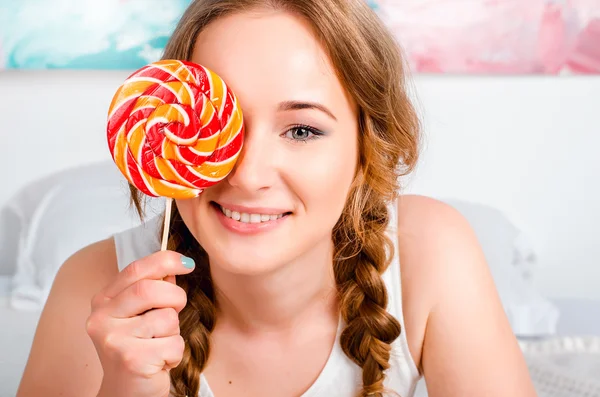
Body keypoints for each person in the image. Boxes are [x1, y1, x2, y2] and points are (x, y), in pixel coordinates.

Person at [17, 1, 538, 396]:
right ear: (168, 130)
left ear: (366, 148)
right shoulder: (91, 287)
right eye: (220, 124)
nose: (248, 174)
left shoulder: (430, 252)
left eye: (303, 131)